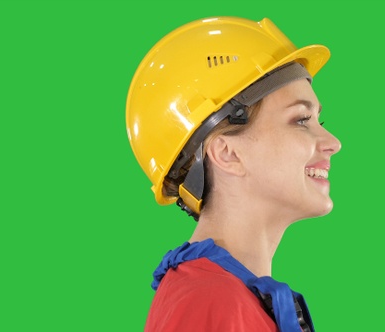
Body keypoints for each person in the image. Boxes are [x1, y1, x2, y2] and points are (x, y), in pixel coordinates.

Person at [126, 16, 341, 332]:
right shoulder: (208, 302)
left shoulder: (228, 297)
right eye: (300, 120)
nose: (333, 143)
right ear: (227, 153)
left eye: (318, 121)